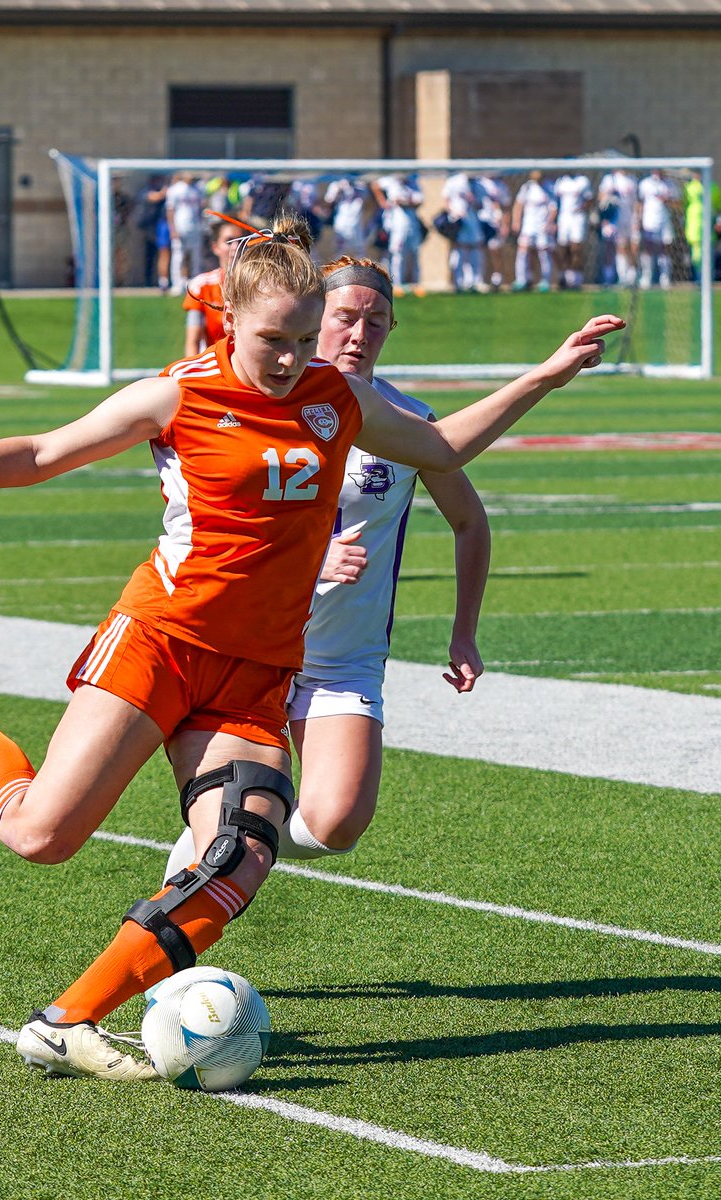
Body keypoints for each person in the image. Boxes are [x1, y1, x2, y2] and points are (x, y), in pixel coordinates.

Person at [0, 208, 622, 1081]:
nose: (289, 359)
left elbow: (439, 447)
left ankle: (68, 1021)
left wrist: (546, 376)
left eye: (299, 340)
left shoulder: (336, 399)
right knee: (42, 835)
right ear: (228, 322)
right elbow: (43, 451)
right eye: (272, 340)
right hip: (162, 640)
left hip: (256, 673)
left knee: (242, 855)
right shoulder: (177, 393)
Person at [161, 255, 489, 881]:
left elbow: (470, 522)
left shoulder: (407, 420)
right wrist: (310, 552)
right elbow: (205, 517)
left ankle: (213, 845)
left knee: (337, 824)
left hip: (344, 656)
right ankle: (209, 867)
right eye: (345, 318)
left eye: (377, 321)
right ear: (315, 317)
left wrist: (464, 629)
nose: (359, 334)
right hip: (251, 644)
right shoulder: (258, 403)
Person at [181, 214, 245, 358]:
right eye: (229, 241)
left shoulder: (261, 286)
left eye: (241, 241)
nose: (235, 247)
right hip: (215, 362)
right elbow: (193, 341)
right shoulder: (201, 286)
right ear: (215, 247)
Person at [371, 173, 425, 291]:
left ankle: (416, 283)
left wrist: (405, 202)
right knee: (397, 254)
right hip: (396, 225)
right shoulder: (391, 181)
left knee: (414, 253)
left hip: (413, 225)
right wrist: (382, 202)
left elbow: (419, 201)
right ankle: (397, 284)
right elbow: (375, 185)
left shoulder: (413, 183)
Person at [511, 171, 556, 292]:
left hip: (542, 225)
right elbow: (518, 205)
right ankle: (521, 280)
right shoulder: (527, 187)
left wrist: (550, 223)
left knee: (543, 252)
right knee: (523, 251)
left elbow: (553, 208)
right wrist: (516, 221)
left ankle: (545, 281)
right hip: (528, 225)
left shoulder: (549, 187)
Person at [636, 168, 679, 290]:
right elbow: (640, 203)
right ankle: (646, 277)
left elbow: (678, 204)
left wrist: (668, 201)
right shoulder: (645, 183)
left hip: (665, 221)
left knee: (665, 248)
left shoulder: (670, 184)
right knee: (647, 248)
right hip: (649, 220)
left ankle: (665, 278)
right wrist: (638, 220)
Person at [164, 174, 206, 295]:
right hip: (180, 227)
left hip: (195, 228)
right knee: (178, 256)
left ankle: (197, 284)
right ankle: (177, 284)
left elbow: (200, 209)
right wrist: (173, 229)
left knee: (196, 257)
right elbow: (170, 210)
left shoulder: (198, 189)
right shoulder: (175, 189)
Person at [553, 167, 593, 290]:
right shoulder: (561, 182)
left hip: (577, 218)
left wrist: (580, 209)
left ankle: (576, 278)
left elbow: (589, 199)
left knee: (576, 247)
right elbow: (556, 201)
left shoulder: (582, 181)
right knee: (562, 248)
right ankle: (563, 277)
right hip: (564, 218)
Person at [597, 168, 638, 287]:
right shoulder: (609, 179)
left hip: (628, 218)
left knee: (630, 246)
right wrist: (609, 196)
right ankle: (613, 276)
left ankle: (631, 276)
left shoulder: (632, 180)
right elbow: (601, 197)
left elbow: (635, 201)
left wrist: (636, 218)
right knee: (612, 247)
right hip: (613, 218)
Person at [682, 169, 721, 281]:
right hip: (694, 229)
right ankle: (699, 279)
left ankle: (709, 280)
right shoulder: (689, 188)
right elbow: (683, 205)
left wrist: (720, 222)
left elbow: (719, 208)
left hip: (709, 228)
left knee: (709, 257)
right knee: (696, 257)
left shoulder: (713, 187)